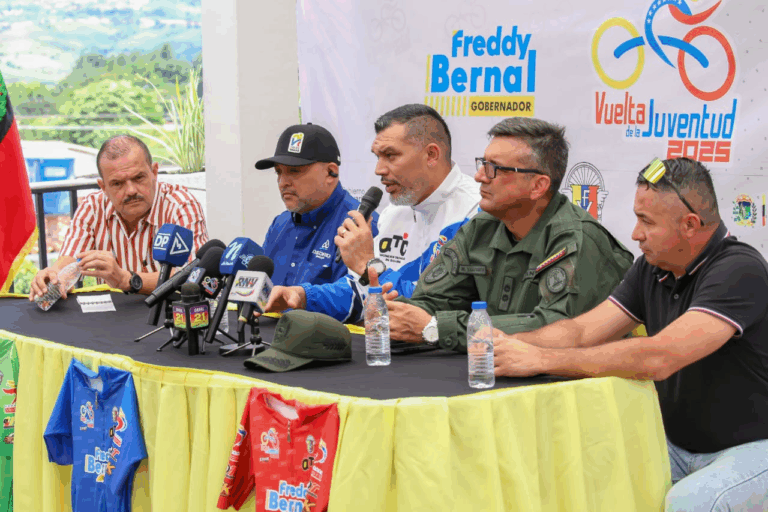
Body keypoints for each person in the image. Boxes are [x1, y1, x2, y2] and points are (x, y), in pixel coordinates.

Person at [492, 157, 768, 511]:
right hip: (679, 446)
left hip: (755, 447)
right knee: (579, 468)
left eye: (646, 221)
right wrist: (507, 345)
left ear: (690, 225)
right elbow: (580, 331)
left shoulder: (738, 269)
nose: (635, 233)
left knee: (692, 503)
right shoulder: (653, 267)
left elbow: (658, 358)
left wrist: (541, 360)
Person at [383, 118, 633, 351]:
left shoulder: (577, 239)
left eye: (495, 169)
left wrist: (438, 328)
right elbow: (432, 301)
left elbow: (556, 329)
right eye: (483, 164)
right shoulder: (481, 228)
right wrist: (402, 315)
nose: (480, 176)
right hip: (492, 372)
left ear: (538, 186)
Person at [263, 103, 480, 323]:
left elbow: (430, 303)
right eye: (377, 157)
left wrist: (369, 266)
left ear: (431, 155)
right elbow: (359, 292)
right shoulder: (394, 211)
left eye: (390, 156)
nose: (379, 169)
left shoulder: (475, 212)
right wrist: (303, 296)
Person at [28, 135, 208, 299]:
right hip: (115, 322)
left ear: (154, 172)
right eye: (117, 183)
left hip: (171, 316)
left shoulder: (180, 205)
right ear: (103, 186)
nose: (130, 190)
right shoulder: (92, 207)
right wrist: (53, 277)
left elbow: (193, 276)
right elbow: (68, 263)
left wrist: (126, 279)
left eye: (138, 178)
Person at [255, 123, 378, 286]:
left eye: (294, 171)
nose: (282, 182)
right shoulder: (279, 224)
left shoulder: (362, 227)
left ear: (330, 173)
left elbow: (358, 301)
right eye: (278, 172)